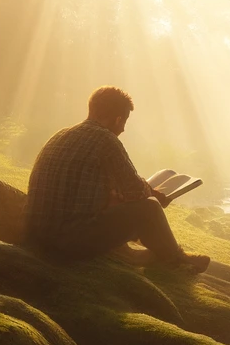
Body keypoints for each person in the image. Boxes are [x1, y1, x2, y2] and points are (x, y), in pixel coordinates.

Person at [25, 86, 210, 272]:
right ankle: (175, 258)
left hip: (36, 233)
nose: (122, 130)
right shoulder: (106, 140)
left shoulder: (60, 135)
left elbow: (74, 191)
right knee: (150, 208)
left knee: (123, 203)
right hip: (69, 241)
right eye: (124, 123)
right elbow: (136, 191)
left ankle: (153, 251)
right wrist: (156, 195)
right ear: (118, 119)